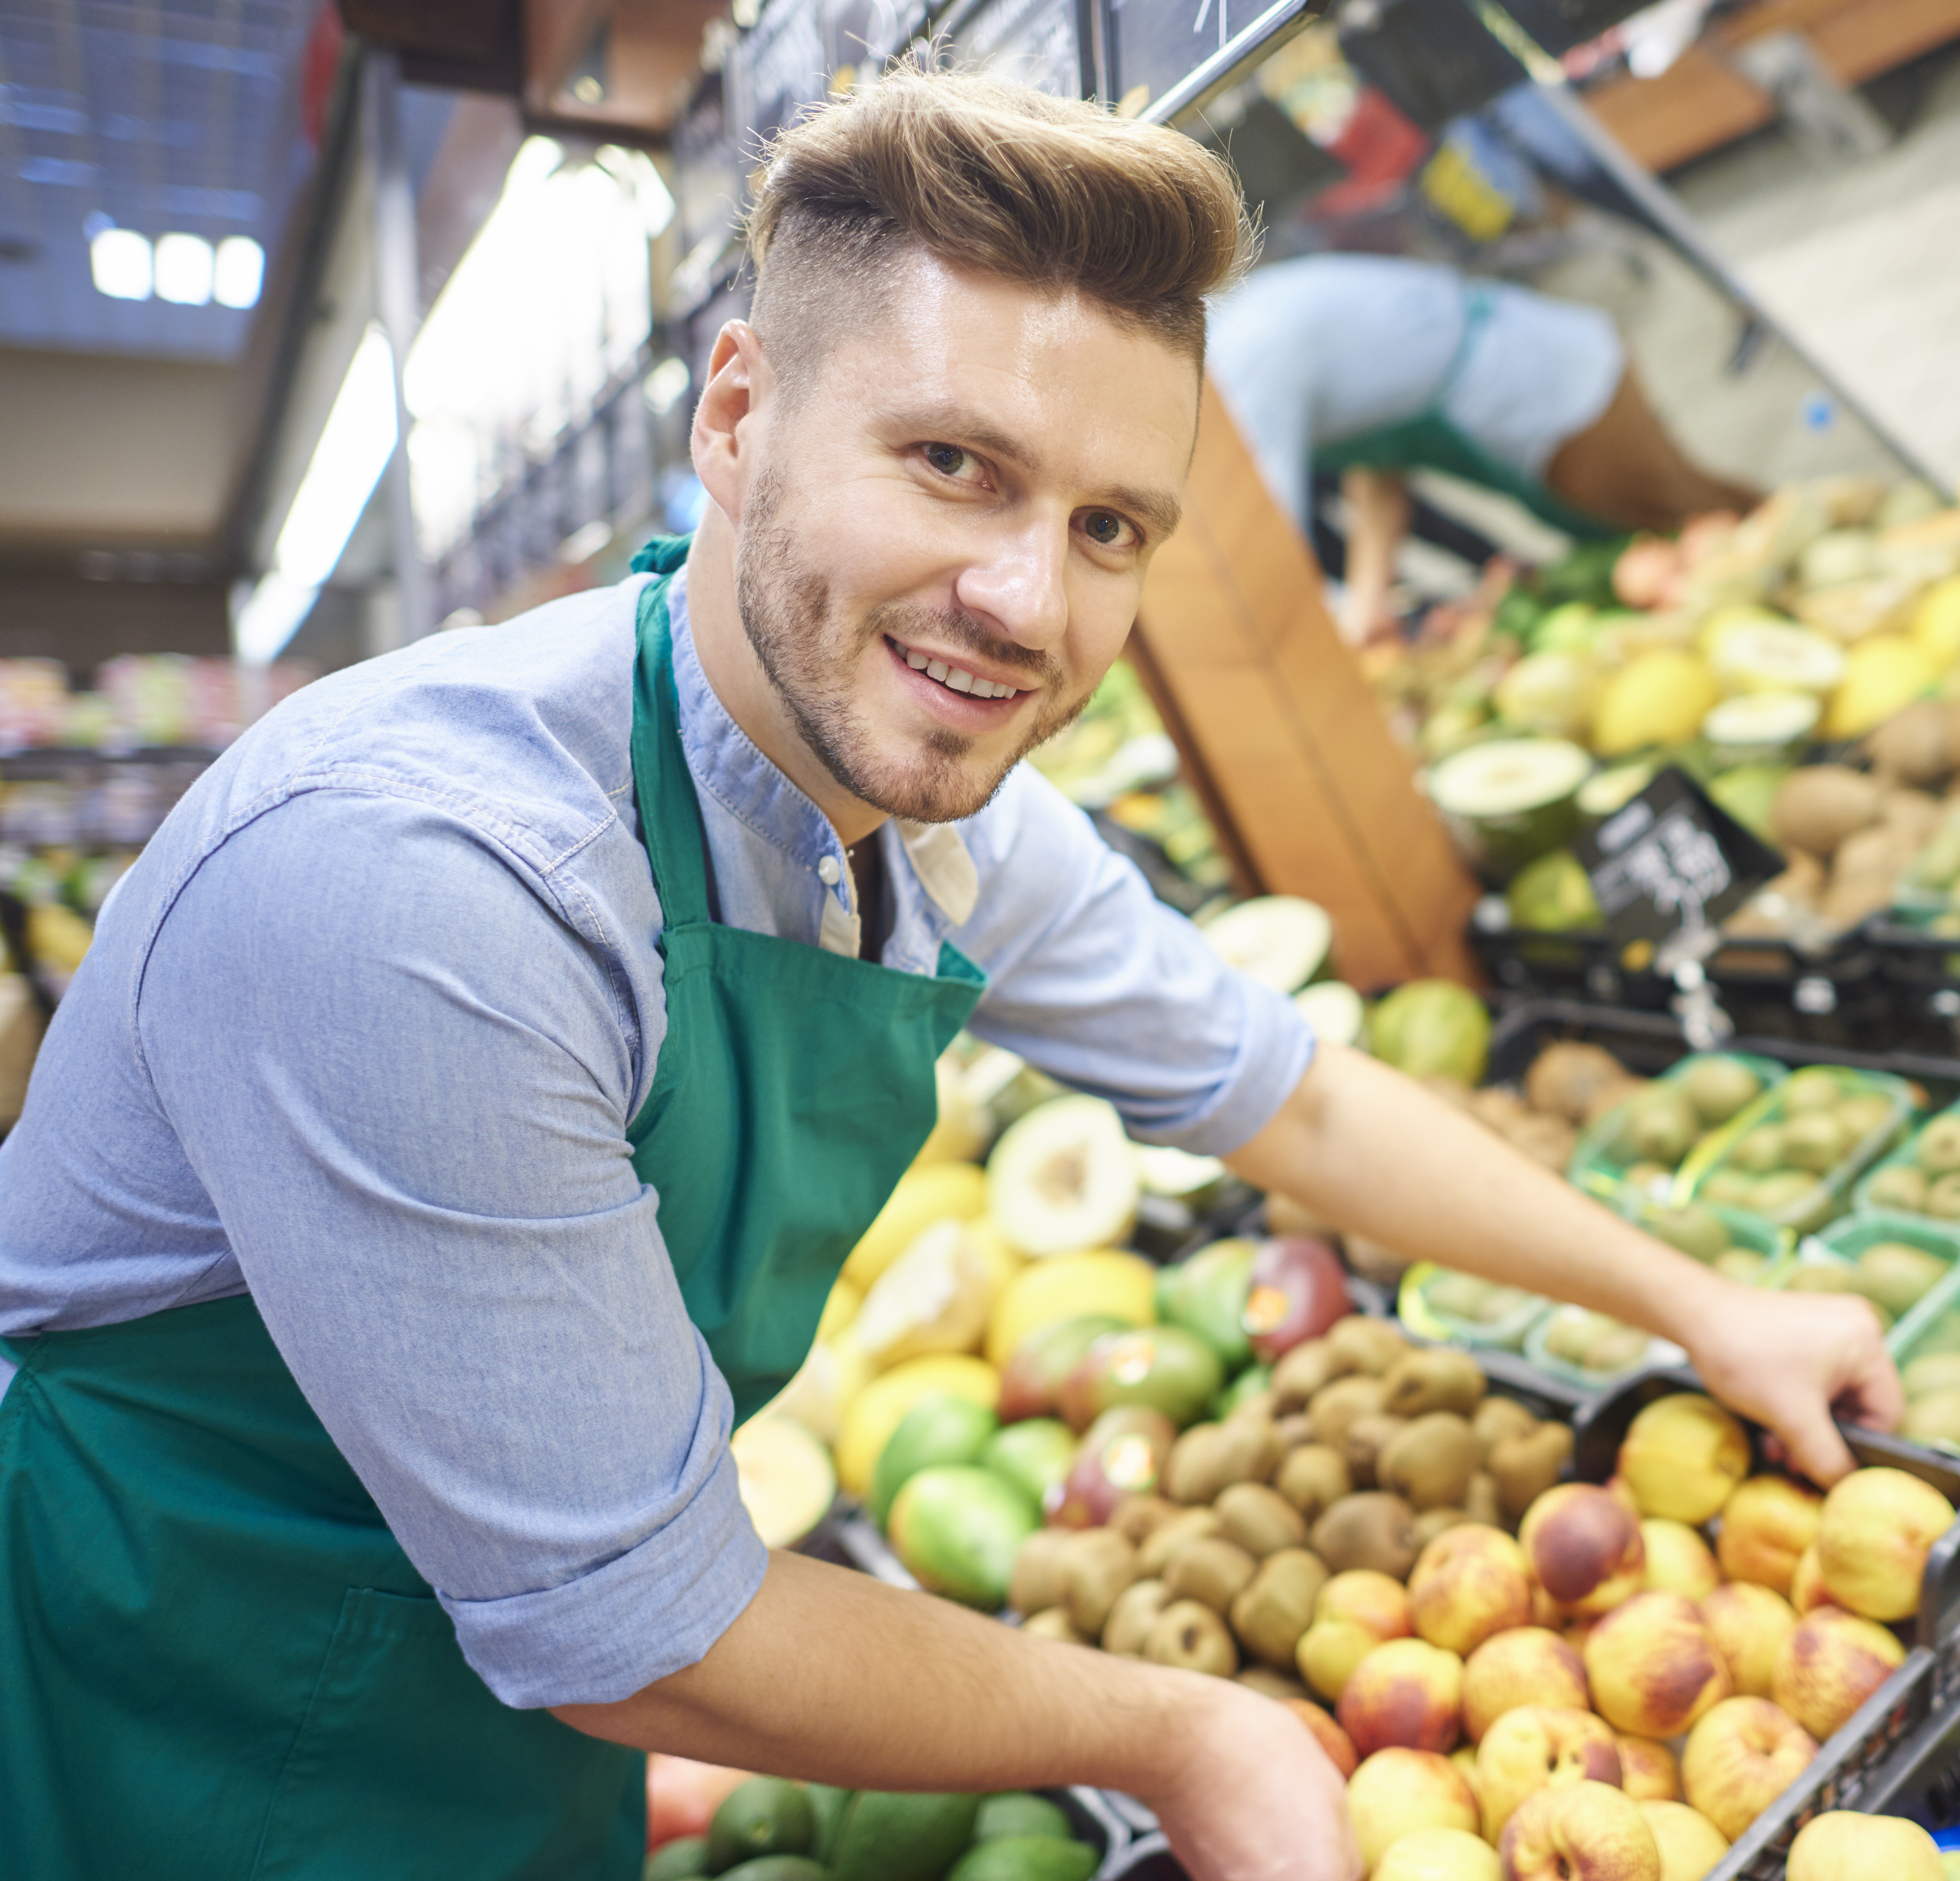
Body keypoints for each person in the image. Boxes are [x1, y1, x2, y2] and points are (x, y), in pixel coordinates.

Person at [0, 63, 1895, 1881]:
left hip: (491, 1703)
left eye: (1106, 530)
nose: (1028, 604)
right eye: (952, 465)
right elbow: (637, 1636)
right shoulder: (428, 888)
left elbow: (1285, 1089)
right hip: (152, 1712)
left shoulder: (935, 818)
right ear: (736, 415)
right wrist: (1179, 1728)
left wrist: (1701, 1302)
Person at [1206, 252, 1761, 642]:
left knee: (1713, 537)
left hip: (1558, 396)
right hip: (1535, 407)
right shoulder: (1239, 334)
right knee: (1666, 557)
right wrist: (1367, 602)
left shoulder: (1244, 362)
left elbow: (1271, 550)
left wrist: (1344, 622)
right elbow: (1377, 473)